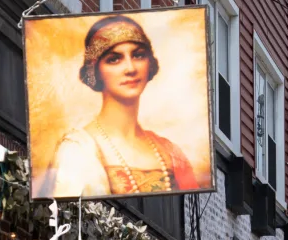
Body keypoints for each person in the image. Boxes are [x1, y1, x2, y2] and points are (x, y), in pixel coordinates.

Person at [38, 15, 200, 198]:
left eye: (138, 55)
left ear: (150, 64)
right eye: (114, 59)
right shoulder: (77, 149)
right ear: (95, 71)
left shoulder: (172, 154)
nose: (130, 68)